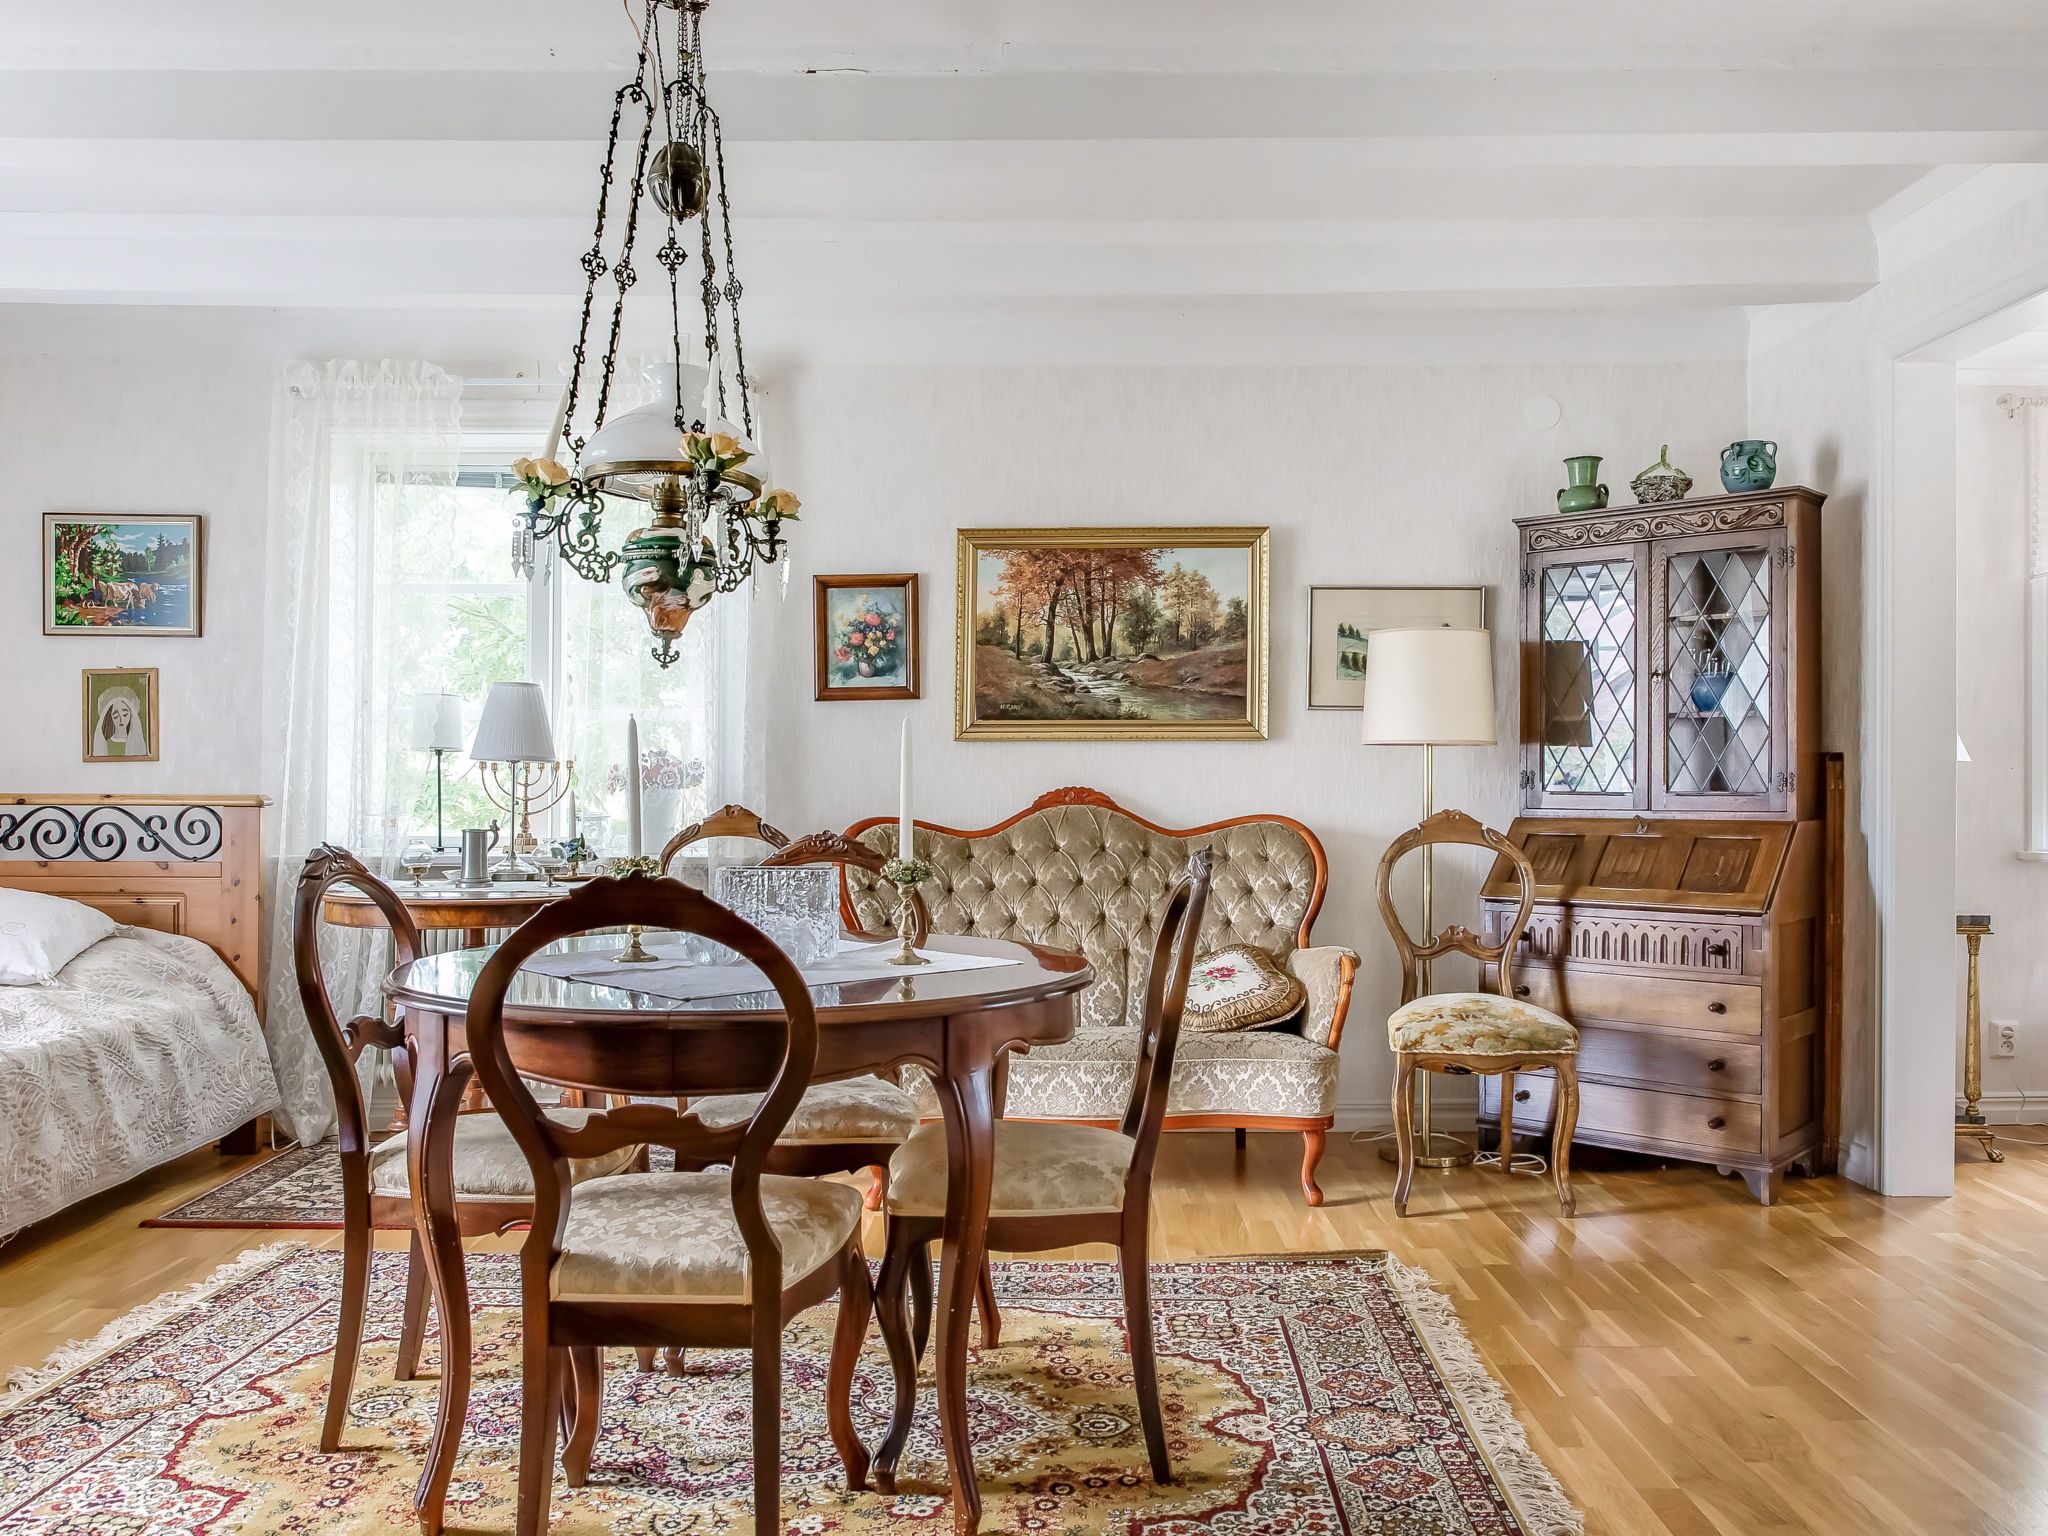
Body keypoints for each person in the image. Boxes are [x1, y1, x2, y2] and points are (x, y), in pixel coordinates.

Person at [93, 685, 148, 757]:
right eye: (116, 716)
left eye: (125, 714)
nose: (121, 719)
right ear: (111, 717)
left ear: (131, 715)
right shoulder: (105, 744)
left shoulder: (136, 744)